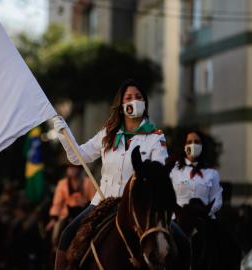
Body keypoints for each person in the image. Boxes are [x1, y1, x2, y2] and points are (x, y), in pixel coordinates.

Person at [52, 79, 168, 268]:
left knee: (180, 241)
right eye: (128, 97)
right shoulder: (108, 133)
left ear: (145, 103)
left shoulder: (156, 137)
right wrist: (64, 133)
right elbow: (78, 157)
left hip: (134, 206)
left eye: (138, 97)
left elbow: (159, 172)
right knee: (67, 235)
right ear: (121, 106)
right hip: (102, 203)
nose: (133, 101)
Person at [170, 130, 223, 217]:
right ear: (184, 146)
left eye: (197, 142)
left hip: (203, 221)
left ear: (202, 146)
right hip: (178, 222)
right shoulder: (173, 172)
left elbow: (217, 200)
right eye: (189, 142)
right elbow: (167, 199)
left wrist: (203, 214)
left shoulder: (212, 173)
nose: (193, 145)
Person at [46, 164, 95, 248]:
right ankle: (56, 249)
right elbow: (57, 202)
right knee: (56, 232)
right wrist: (54, 218)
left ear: (79, 169)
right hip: (66, 213)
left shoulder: (88, 182)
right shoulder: (62, 183)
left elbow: (94, 198)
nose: (71, 170)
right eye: (69, 168)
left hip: (83, 213)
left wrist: (86, 204)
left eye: (73, 167)